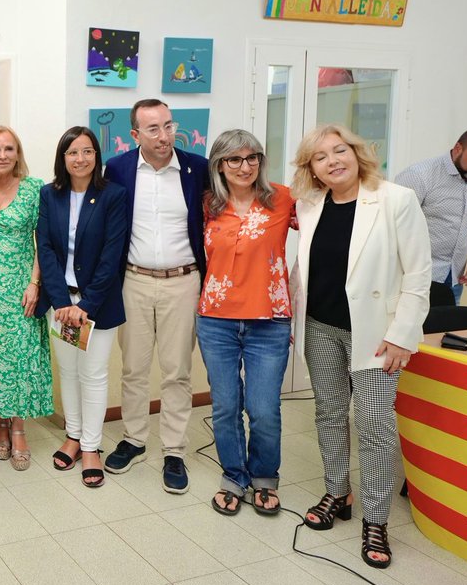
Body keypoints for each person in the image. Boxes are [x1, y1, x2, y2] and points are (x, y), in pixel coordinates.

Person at [291, 124, 431, 568]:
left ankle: (376, 518)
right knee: (329, 413)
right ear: (311, 168)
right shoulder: (310, 204)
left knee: (374, 424)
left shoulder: (396, 200)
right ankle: (337, 492)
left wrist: (402, 335)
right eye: (320, 156)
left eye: (340, 150)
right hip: (320, 327)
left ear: (357, 153)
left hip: (376, 335)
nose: (333, 161)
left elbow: (418, 274)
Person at [103, 99, 209, 494]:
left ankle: (174, 450)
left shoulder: (197, 168)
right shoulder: (118, 169)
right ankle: (133, 439)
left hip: (184, 281)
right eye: (153, 129)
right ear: (135, 135)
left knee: (177, 370)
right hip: (133, 281)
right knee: (132, 367)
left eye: (168, 125)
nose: (164, 136)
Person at [197, 130, 296, 516]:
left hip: (269, 321)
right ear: (220, 165)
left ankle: (265, 478)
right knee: (225, 406)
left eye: (252, 157)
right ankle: (234, 476)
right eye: (234, 159)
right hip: (216, 320)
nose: (245, 166)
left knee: (264, 408)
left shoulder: (283, 199)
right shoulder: (207, 205)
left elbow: (331, 219)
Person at [36, 126, 127, 489]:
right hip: (60, 304)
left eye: (87, 151)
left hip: (97, 305)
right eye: (72, 152)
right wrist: (61, 301)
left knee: (93, 375)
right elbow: (45, 249)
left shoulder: (112, 196)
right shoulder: (49, 194)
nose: (80, 159)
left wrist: (85, 304)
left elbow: (111, 256)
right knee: (69, 372)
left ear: (96, 156)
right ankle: (73, 437)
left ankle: (91, 446)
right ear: (63, 158)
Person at [0, 125, 52, 470]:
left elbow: (43, 240)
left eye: (8, 149)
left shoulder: (35, 189)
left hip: (21, 286)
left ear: (18, 154)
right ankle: (0, 423)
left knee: (19, 357)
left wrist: (35, 283)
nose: (2, 155)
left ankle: (18, 428)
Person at [394, 128, 467, 304]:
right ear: (458, 148)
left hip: (453, 277)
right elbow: (391, 224)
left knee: (446, 328)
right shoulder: (419, 175)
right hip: (411, 277)